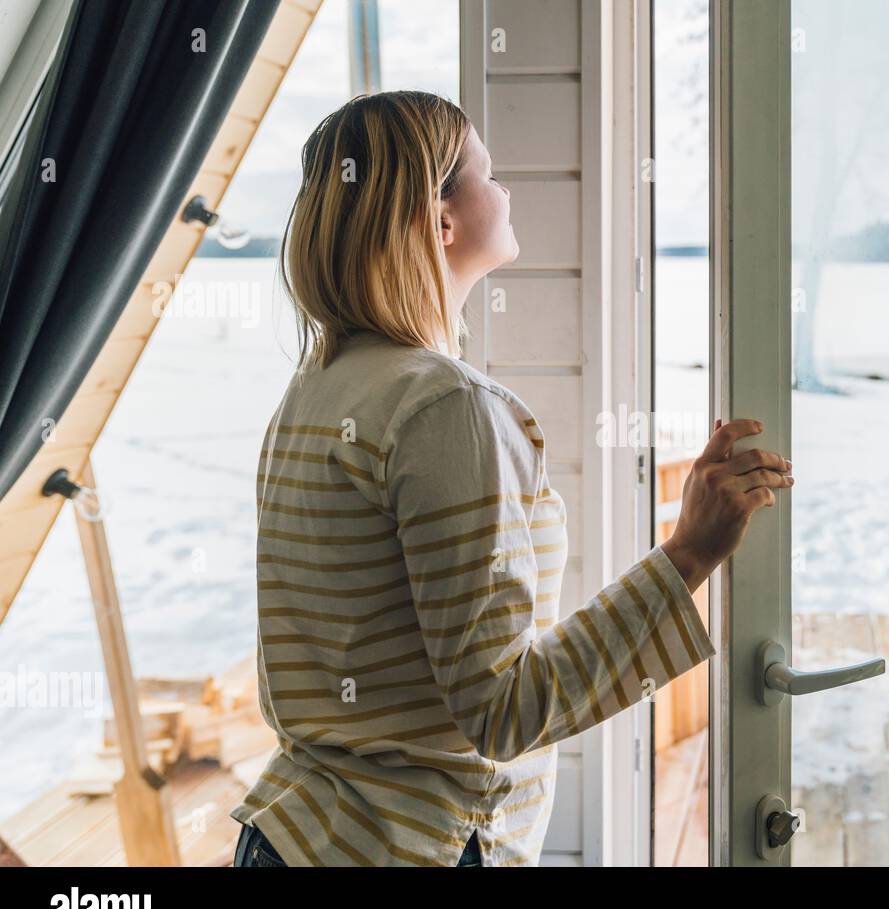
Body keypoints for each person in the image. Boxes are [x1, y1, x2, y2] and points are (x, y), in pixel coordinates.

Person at [229, 91, 793, 867]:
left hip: (292, 836)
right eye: (487, 174)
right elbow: (502, 708)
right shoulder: (444, 407)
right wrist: (688, 554)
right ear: (442, 220)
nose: (507, 190)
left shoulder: (316, 387)